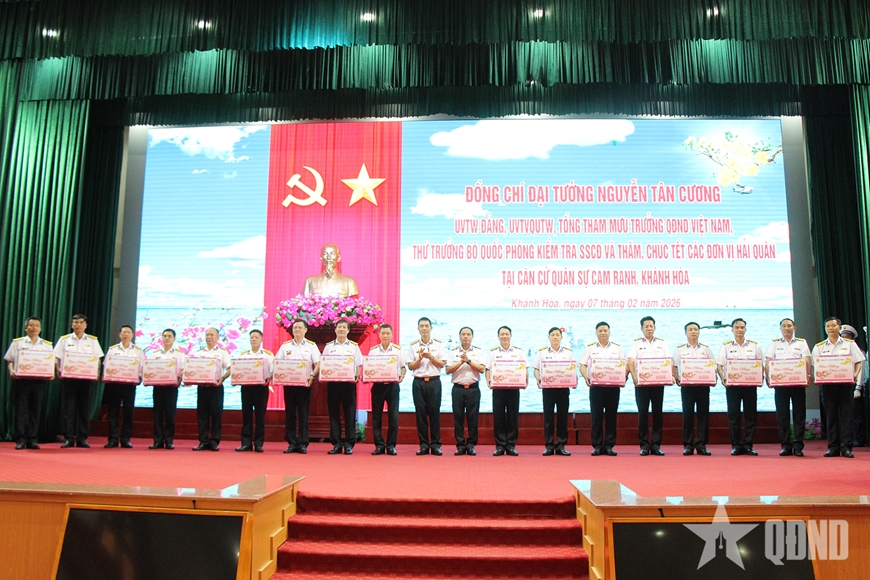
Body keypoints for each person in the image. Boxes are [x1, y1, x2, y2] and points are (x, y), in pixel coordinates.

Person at [812, 317, 865, 458]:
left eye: (833, 326)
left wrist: (854, 374)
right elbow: (815, 366)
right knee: (831, 416)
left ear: (839, 328)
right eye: (828, 326)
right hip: (828, 386)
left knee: (847, 416)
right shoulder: (819, 347)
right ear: (825, 329)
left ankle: (847, 447)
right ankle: (833, 447)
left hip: (846, 385)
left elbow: (859, 361)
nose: (831, 328)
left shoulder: (850, 344)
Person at [54, 314, 104, 448]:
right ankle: (69, 438)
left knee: (84, 409)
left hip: (86, 379)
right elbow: (57, 357)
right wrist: (58, 368)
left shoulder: (92, 341)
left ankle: (82, 438)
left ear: (85, 325)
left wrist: (97, 371)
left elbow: (97, 359)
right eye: (75, 322)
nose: (78, 325)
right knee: (68, 409)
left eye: (81, 322)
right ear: (72, 324)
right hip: (69, 379)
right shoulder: (64, 340)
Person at [4, 317, 53, 450]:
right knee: (20, 410)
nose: (34, 328)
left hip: (38, 382)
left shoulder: (46, 345)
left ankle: (32, 439)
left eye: (37, 325)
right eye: (31, 325)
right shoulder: (17, 343)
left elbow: (49, 363)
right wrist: (11, 370)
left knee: (35, 411)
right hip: (21, 381)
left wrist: (51, 373)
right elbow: (10, 360)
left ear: (40, 329)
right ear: (26, 328)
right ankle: (20, 439)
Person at [764, 318, 811, 457]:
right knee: (782, 415)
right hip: (781, 386)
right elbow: (768, 361)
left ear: (794, 328)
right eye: (784, 326)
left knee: (799, 415)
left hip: (798, 384)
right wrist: (769, 378)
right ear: (780, 329)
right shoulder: (775, 344)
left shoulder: (801, 343)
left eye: (789, 326)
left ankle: (798, 446)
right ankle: (785, 445)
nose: (787, 328)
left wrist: (808, 376)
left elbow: (807, 360)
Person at [716, 318, 763, 456]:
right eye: (737, 327)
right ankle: (736, 445)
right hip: (732, 387)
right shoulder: (726, 346)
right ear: (732, 330)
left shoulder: (754, 346)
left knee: (750, 415)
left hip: (750, 386)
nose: (740, 330)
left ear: (745, 329)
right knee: (733, 415)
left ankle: (748, 445)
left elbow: (760, 364)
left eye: (742, 327)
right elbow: (719, 365)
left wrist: (760, 376)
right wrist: (722, 377)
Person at [579, 322, 625, 456]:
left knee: (611, 416)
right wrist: (586, 376)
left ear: (609, 332)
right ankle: (597, 445)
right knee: (596, 416)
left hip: (613, 388)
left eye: (605, 330)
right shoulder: (590, 348)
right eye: (600, 331)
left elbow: (625, 365)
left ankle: (609, 445)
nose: (603, 333)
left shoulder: (617, 348)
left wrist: (624, 377)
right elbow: (582, 365)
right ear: (596, 333)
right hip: (596, 388)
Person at [628, 316, 671, 456]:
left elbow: (668, 360)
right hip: (641, 385)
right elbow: (631, 360)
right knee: (643, 414)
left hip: (658, 384)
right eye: (646, 326)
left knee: (657, 414)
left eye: (651, 326)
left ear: (655, 327)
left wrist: (670, 375)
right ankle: (644, 445)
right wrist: (634, 377)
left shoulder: (662, 343)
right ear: (641, 328)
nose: (649, 328)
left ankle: (656, 445)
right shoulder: (636, 343)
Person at [276, 319, 321, 454]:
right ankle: (291, 443)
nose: (297, 330)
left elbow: (318, 364)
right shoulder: (285, 346)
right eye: (295, 328)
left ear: (305, 330)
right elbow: (277, 362)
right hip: (289, 385)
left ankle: (302, 443)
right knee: (290, 414)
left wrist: (312, 375)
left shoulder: (311, 346)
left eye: (300, 328)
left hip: (305, 385)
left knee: (303, 413)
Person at [672, 322, 715, 456]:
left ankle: (701, 444)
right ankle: (688, 445)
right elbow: (673, 366)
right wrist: (677, 377)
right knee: (688, 415)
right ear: (685, 333)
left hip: (703, 387)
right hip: (687, 387)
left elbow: (712, 366)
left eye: (696, 329)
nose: (693, 332)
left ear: (699, 332)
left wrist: (713, 378)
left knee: (703, 415)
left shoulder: (706, 349)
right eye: (690, 329)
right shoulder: (679, 350)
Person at [322, 319, 363, 454]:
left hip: (348, 384)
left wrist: (357, 375)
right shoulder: (329, 347)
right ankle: (336, 444)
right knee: (334, 414)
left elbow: (358, 365)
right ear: (335, 330)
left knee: (350, 414)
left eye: (344, 327)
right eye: (339, 327)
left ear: (348, 330)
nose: (341, 329)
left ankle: (349, 444)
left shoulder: (354, 346)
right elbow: (324, 363)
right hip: (333, 384)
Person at [406, 317, 446, 455]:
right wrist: (419, 358)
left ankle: (435, 445)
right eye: (421, 326)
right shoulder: (413, 346)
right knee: (420, 414)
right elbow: (411, 366)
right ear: (418, 328)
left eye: (426, 326)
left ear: (431, 328)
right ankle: (423, 445)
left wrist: (431, 357)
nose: (424, 328)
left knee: (434, 414)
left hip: (434, 382)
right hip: (418, 383)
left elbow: (442, 364)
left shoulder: (438, 344)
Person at [533, 327, 575, 456]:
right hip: (548, 390)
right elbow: (536, 368)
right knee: (548, 417)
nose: (555, 337)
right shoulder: (542, 353)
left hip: (563, 390)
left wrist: (574, 380)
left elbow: (572, 369)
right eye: (552, 335)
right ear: (549, 337)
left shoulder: (568, 352)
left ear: (561, 337)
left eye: (557, 335)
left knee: (563, 417)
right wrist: (538, 378)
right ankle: (549, 445)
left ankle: (561, 445)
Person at [486, 326, 527, 456]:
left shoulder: (518, 352)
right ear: (498, 336)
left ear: (511, 336)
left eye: (507, 334)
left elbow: (525, 368)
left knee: (512, 417)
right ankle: (500, 446)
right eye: (502, 334)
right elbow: (487, 369)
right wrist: (488, 381)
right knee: (498, 417)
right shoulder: (493, 353)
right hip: (498, 390)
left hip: (513, 389)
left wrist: (525, 380)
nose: (504, 336)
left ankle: (511, 445)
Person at [444, 326, 485, 456]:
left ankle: (471, 445)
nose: (466, 336)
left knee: (473, 418)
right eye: (463, 334)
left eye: (468, 334)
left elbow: (481, 369)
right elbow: (447, 370)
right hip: (458, 389)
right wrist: (461, 362)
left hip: (473, 389)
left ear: (472, 336)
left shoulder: (478, 352)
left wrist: (468, 361)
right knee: (458, 418)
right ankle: (460, 445)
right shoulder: (453, 352)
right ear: (459, 336)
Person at [103, 325, 144, 448]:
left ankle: (126, 439)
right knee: (113, 412)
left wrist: (139, 378)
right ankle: (113, 439)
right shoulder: (112, 350)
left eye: (128, 332)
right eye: (124, 332)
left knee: (128, 412)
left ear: (132, 335)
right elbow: (107, 366)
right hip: (114, 385)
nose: (126, 334)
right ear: (120, 334)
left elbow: (142, 368)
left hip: (130, 386)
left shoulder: (138, 351)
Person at [368, 324, 405, 456]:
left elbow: (403, 367)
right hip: (378, 386)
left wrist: (402, 376)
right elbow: (369, 368)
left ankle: (391, 445)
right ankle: (379, 445)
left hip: (392, 386)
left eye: (387, 333)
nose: (385, 336)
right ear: (379, 335)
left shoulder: (398, 350)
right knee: (376, 417)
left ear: (392, 335)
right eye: (383, 333)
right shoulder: (373, 351)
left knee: (393, 416)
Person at [234, 329, 273, 453]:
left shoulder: (268, 355)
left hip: (261, 388)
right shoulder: (244, 355)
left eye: (256, 337)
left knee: (260, 416)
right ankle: (246, 443)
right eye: (252, 337)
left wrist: (269, 378)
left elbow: (273, 371)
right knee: (246, 415)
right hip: (246, 388)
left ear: (261, 339)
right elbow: (238, 370)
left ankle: (258, 444)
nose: (254, 339)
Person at [191, 327, 231, 451]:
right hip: (202, 388)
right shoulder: (199, 353)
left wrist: (222, 378)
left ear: (218, 337)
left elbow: (230, 368)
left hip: (216, 388)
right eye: (207, 335)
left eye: (211, 335)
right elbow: (193, 369)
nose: (209, 337)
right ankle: (203, 441)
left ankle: (214, 441)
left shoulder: (222, 352)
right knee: (202, 415)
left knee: (216, 415)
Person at [147, 328, 185, 449]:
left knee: (170, 414)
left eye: (169, 336)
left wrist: (179, 380)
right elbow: (150, 369)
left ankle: (169, 441)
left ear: (174, 338)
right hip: (158, 388)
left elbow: (183, 370)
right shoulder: (155, 354)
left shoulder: (179, 354)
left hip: (171, 388)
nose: (167, 338)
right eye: (164, 336)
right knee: (157, 414)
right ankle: (157, 441)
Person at [841, 325, 867, 447]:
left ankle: (859, 438)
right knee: (845, 414)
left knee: (856, 415)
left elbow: (861, 371)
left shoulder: (858, 352)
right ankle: (847, 438)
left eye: (848, 337)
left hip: (854, 386)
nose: (845, 339)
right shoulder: (838, 352)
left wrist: (858, 388)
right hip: (841, 386)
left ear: (853, 339)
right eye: (843, 337)